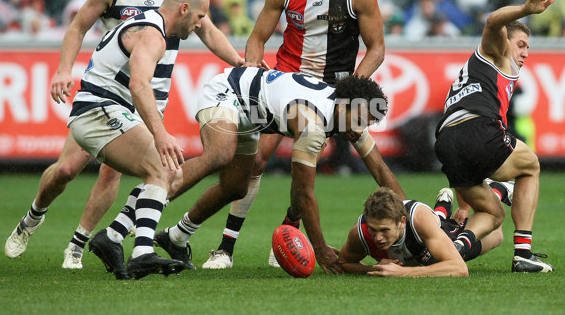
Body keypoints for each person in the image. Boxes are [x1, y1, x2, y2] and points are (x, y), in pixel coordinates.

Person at [4, 0, 243, 270]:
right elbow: (78, 26)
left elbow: (208, 30)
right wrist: (63, 70)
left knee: (123, 172)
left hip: (147, 98)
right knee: (67, 170)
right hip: (111, 95)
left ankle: (80, 244)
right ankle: (34, 217)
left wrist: (239, 62)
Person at [198, 0, 404, 271]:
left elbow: (377, 48)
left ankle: (293, 232)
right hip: (286, 84)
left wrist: (352, 91)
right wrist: (251, 64)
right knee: (259, 160)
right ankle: (225, 248)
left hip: (336, 93)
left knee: (367, 162)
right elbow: (258, 37)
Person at [151, 69, 394, 275]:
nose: (361, 129)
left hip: (252, 113)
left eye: (367, 123)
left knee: (235, 187)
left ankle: (176, 237)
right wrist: (320, 249)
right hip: (228, 91)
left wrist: (408, 221)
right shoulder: (313, 124)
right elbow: (304, 193)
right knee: (218, 155)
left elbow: (381, 171)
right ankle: (136, 210)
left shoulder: (346, 113)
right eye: (361, 119)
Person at [68, 0, 209, 280]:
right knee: (162, 164)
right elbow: (138, 84)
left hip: (100, 110)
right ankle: (142, 251)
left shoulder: (146, 24)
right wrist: (160, 135)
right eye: (199, 17)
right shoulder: (153, 34)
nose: (198, 25)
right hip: (98, 111)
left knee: (173, 171)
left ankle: (114, 236)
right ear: (184, 9)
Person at [433, 0, 556, 273]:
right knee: (531, 167)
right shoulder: (497, 53)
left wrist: (463, 204)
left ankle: (458, 246)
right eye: (521, 45)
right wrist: (526, 9)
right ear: (506, 41)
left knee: (493, 213)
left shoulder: (475, 74)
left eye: (528, 48)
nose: (525, 53)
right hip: (477, 129)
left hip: (447, 142)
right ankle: (523, 253)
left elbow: (462, 138)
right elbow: (492, 21)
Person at [339, 187, 494, 277]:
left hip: (430, 229)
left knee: (495, 236)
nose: (378, 237)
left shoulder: (418, 219)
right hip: (427, 231)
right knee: (436, 222)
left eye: (385, 230)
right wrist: (373, 268)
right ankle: (442, 208)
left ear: (402, 222)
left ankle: (494, 188)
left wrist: (403, 272)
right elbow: (345, 262)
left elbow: (459, 268)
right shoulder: (361, 233)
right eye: (374, 229)